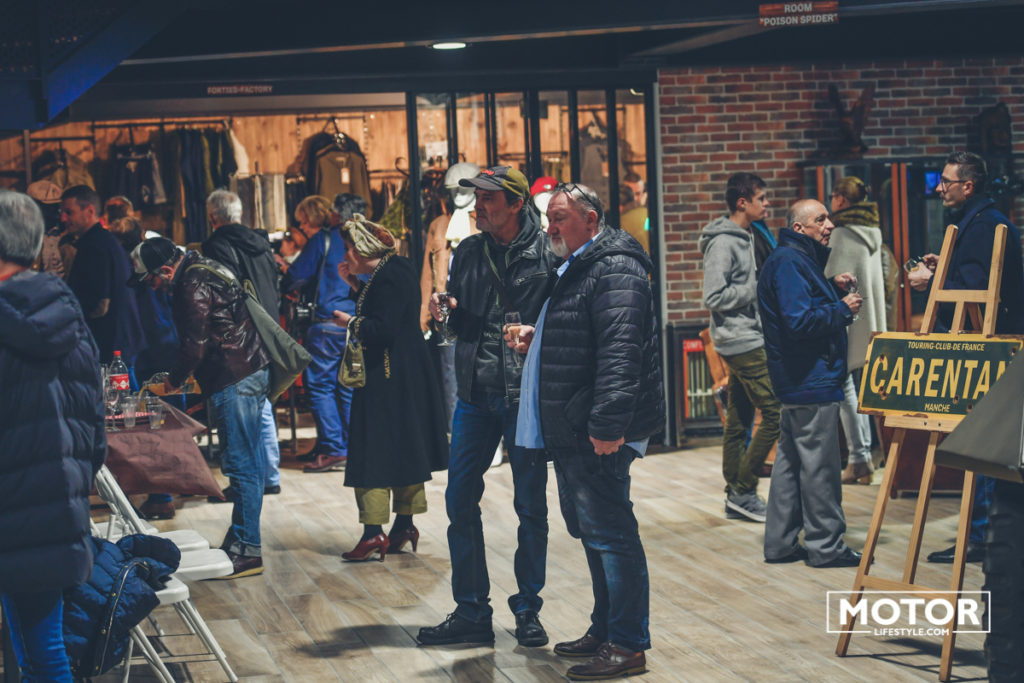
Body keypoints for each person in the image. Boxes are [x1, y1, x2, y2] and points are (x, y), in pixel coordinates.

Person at [510, 183, 663, 680]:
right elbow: (588, 336)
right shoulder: (583, 263)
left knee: (612, 535)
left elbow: (621, 354)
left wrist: (608, 424)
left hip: (595, 430)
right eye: (548, 218)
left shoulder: (615, 267)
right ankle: (605, 629)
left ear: (591, 220)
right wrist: (540, 338)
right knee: (594, 535)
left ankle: (628, 643)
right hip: (575, 427)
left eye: (559, 217)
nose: (549, 227)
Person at [417, 166, 558, 648]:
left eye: (488, 199)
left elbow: (563, 324)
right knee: (459, 498)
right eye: (476, 198)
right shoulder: (470, 251)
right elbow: (460, 328)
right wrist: (446, 314)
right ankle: (472, 610)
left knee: (530, 506)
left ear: (516, 204)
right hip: (476, 394)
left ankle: (528, 609)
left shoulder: (547, 252)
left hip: (526, 398)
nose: (478, 206)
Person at [0, 190, 106, 681]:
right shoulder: (65, 309)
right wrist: (75, 480)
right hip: (55, 505)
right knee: (43, 649)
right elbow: (94, 416)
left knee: (36, 650)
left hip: (15, 504)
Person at [908, 151, 1024, 564]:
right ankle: (983, 535)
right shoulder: (983, 221)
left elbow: (977, 293)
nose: (940, 187)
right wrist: (946, 265)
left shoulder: (984, 226)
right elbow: (976, 275)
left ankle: (982, 538)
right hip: (995, 346)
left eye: (947, 181)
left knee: (985, 444)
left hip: (991, 349)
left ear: (967, 186)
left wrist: (931, 281)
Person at [131, 236, 270, 579]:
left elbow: (195, 344)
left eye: (151, 279)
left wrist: (174, 380)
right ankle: (240, 539)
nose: (152, 287)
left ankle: (248, 549)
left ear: (166, 270)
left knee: (241, 465)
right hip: (247, 369)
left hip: (235, 375)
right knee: (247, 462)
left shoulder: (190, 282)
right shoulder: (203, 266)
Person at [329, 215, 449, 561]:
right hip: (403, 374)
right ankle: (403, 526)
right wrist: (354, 284)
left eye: (349, 248)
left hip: (386, 376)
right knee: (404, 445)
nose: (346, 255)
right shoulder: (394, 270)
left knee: (374, 449)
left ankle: (373, 533)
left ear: (363, 248)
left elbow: (382, 328)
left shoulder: (390, 276)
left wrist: (350, 322)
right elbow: (388, 311)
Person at [758, 199, 865, 568]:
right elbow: (799, 321)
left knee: (789, 467)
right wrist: (842, 309)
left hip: (798, 379)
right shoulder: (790, 261)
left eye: (828, 218)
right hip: (810, 379)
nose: (829, 225)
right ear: (799, 228)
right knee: (820, 470)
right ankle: (826, 546)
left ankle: (781, 543)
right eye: (820, 219)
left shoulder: (792, 259)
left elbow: (799, 304)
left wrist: (830, 287)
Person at [699, 172, 781, 523]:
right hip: (740, 339)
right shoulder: (723, 243)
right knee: (776, 413)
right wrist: (755, 288)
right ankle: (744, 490)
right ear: (742, 203)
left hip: (748, 334)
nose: (767, 204)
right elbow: (713, 296)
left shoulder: (750, 235)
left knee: (740, 418)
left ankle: (736, 492)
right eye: (761, 198)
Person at [202, 189, 283, 497]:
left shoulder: (215, 246)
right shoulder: (261, 243)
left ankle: (245, 483)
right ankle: (269, 476)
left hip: (240, 336)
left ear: (212, 217)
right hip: (269, 327)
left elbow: (220, 295)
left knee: (239, 412)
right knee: (262, 405)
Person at [280, 194, 358, 473]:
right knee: (347, 387)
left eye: (302, 221)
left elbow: (295, 277)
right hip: (354, 322)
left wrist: (286, 269)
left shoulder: (321, 240)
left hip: (325, 323)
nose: (301, 226)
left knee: (321, 387)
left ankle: (334, 449)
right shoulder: (357, 238)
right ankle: (351, 447)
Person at [824, 176, 887, 485]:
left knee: (843, 385)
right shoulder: (872, 231)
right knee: (860, 388)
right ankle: (864, 457)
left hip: (846, 319)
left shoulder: (841, 234)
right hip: (868, 319)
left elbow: (827, 278)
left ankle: (859, 458)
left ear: (841, 200)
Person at [61, 185, 146, 368]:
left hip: (111, 346)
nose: (63, 218)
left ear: (89, 211)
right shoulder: (103, 240)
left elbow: (100, 303)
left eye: (69, 212)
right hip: (120, 342)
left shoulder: (95, 246)